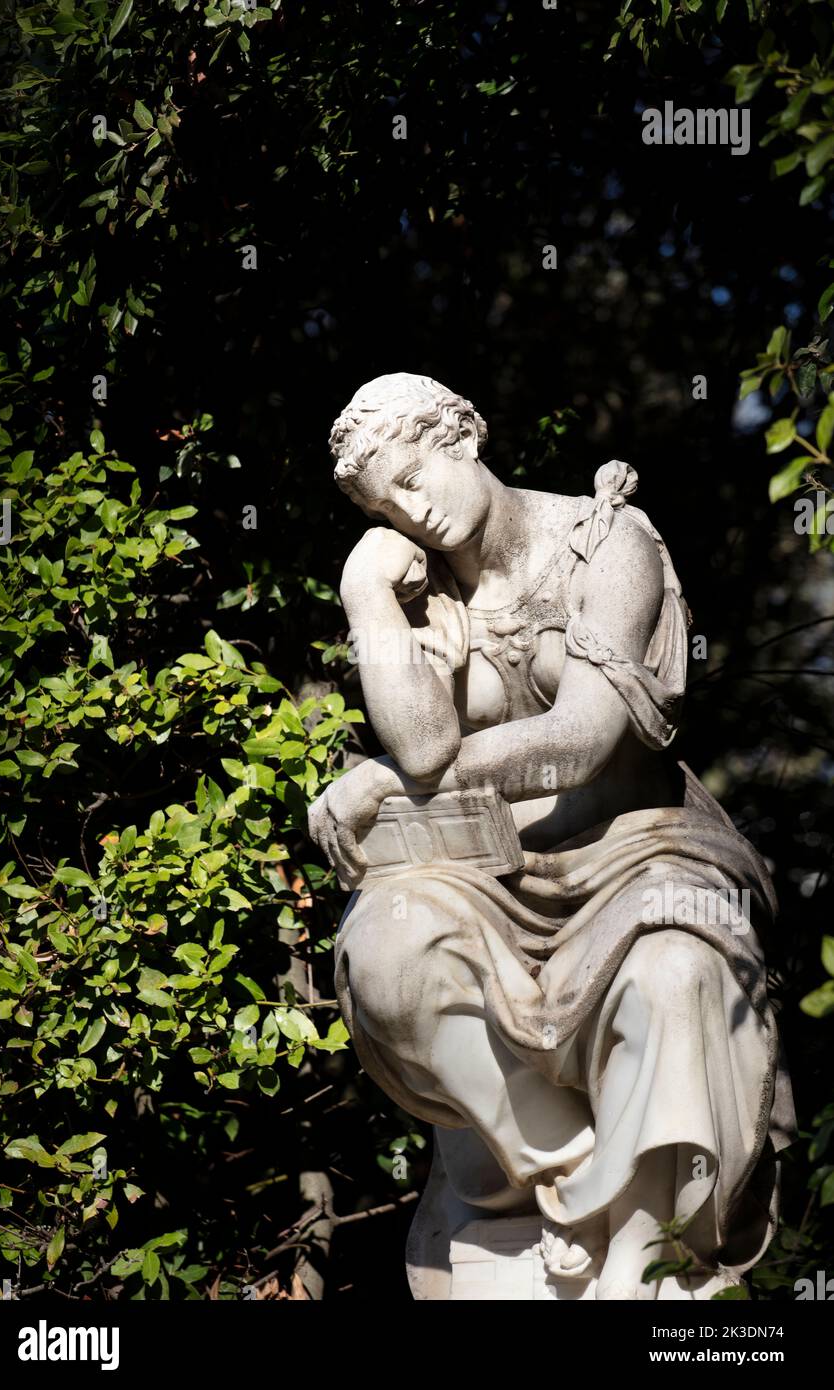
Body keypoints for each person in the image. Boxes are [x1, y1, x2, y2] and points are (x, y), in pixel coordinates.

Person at [308, 372, 795, 1299]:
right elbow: (419, 741)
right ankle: (571, 1174)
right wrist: (365, 591)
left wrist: (380, 781)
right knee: (384, 951)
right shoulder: (421, 595)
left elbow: (579, 741)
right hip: (492, 870)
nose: (413, 513)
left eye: (415, 476)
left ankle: (641, 1250)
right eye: (386, 509)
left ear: (462, 436)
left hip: (639, 855)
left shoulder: (608, 540)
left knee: (675, 975)